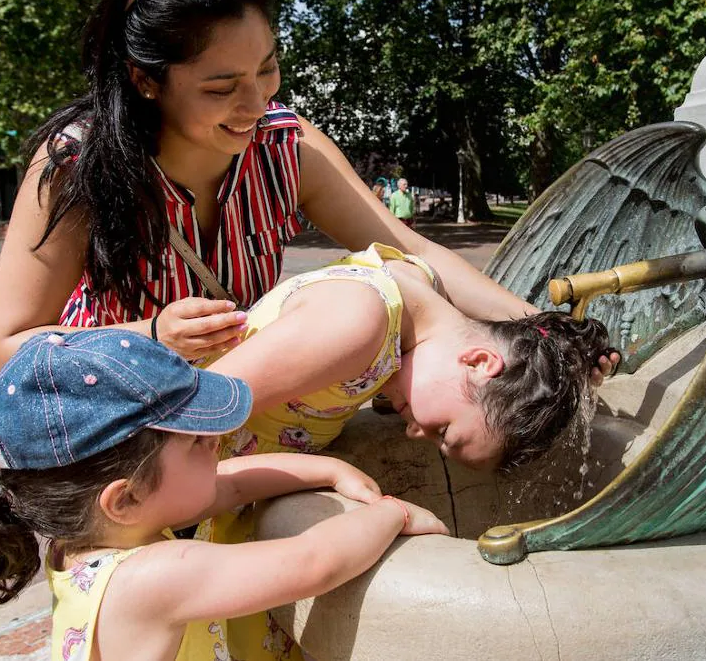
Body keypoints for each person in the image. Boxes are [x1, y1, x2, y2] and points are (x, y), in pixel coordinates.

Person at [0, 0, 605, 380]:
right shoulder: (75, 165)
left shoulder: (287, 144)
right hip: (119, 412)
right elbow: (4, 346)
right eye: (221, 87)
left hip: (240, 395)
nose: (255, 103)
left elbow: (416, 253)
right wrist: (148, 336)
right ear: (145, 79)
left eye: (268, 69)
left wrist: (543, 327)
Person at [193, 242, 615, 659]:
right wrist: (322, 469)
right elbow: (180, 413)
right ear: (479, 363)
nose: (416, 432)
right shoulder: (356, 323)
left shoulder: (422, 284)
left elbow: (523, 334)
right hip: (194, 491)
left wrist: (571, 357)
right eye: (444, 430)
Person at [0, 329, 447, 660]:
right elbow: (312, 562)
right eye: (197, 442)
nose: (218, 443)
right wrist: (389, 513)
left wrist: (328, 469)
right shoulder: (153, 576)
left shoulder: (87, 537)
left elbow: (229, 481)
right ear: (122, 499)